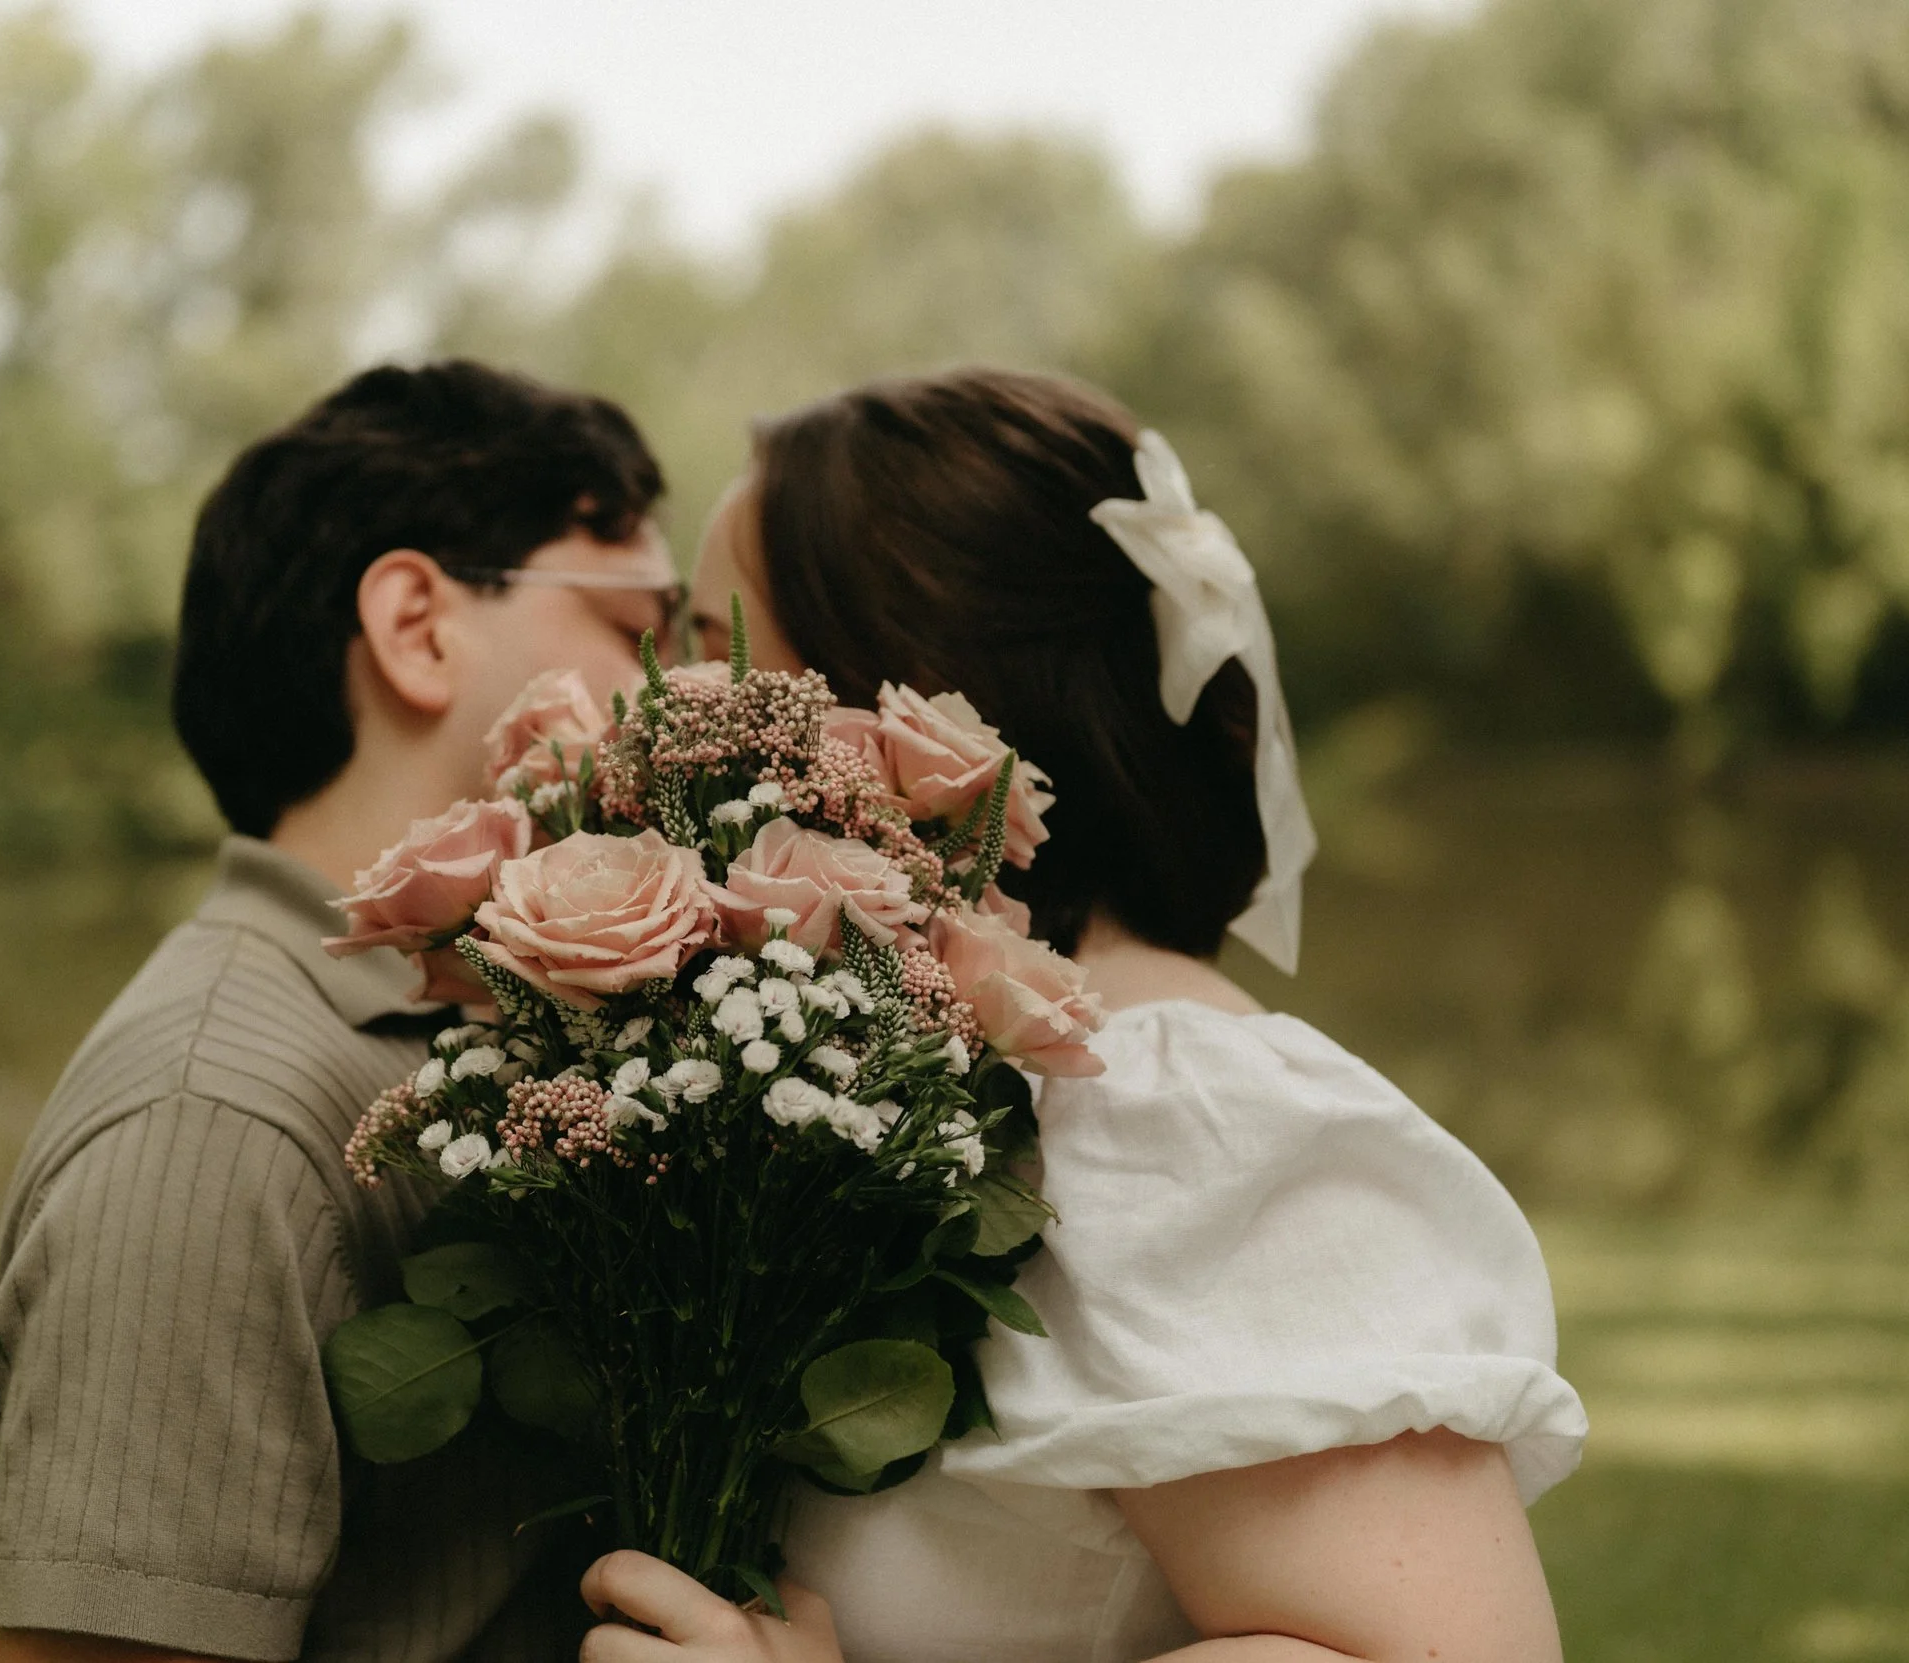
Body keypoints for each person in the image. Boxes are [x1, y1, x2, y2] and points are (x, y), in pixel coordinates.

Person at [579, 369, 1587, 1663]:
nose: (660, 705)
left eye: (718, 650)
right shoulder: (886, 1092)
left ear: (909, 701)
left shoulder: (1182, 1120)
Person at [0, 360, 682, 1663]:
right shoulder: (213, 1127)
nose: (685, 689)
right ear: (419, 623)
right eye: (643, 626)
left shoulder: (501, 1043)